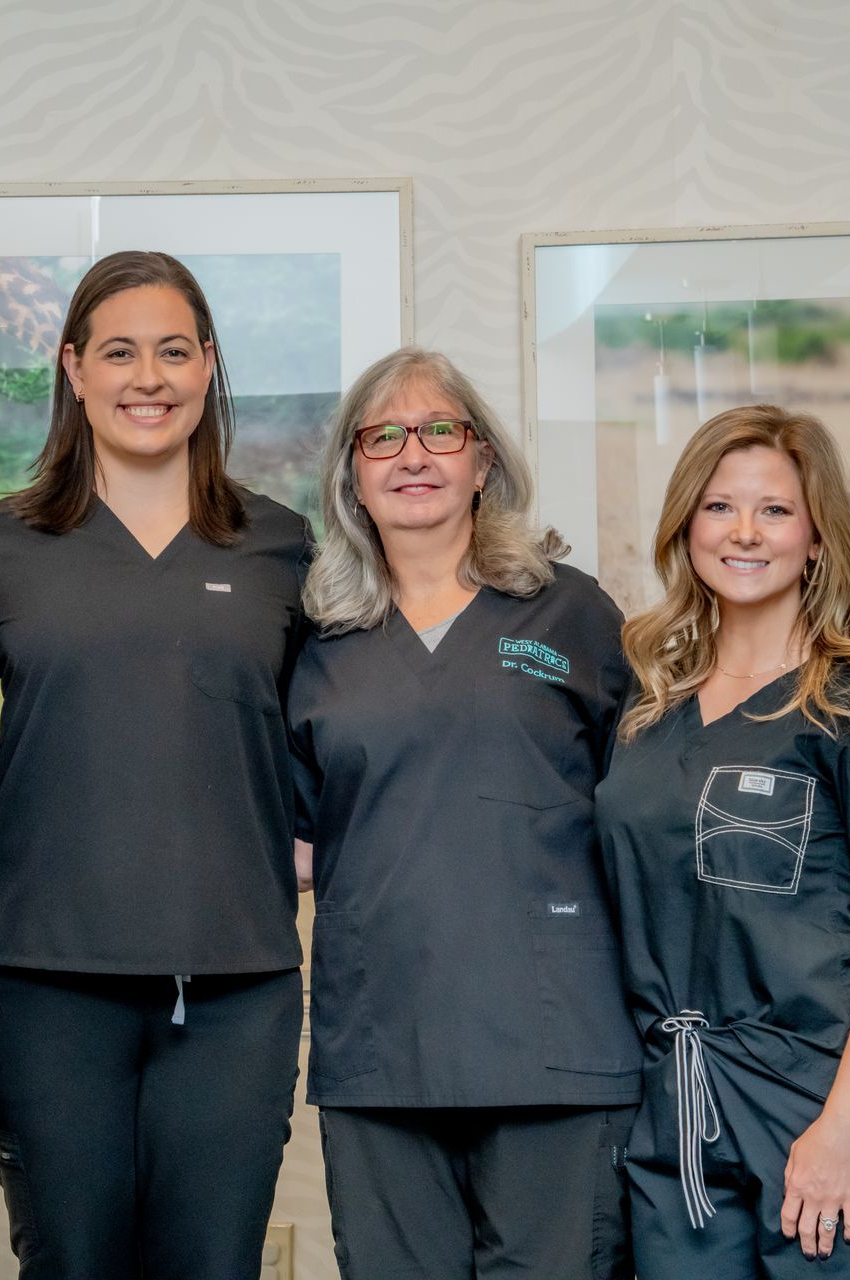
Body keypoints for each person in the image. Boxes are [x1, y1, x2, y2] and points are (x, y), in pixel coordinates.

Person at [0, 250, 312, 1278]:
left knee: (212, 1264)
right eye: (118, 351)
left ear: (207, 366)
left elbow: (327, 729)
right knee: (72, 1261)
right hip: (41, 982)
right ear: (72, 367)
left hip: (237, 986)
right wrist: (6, 791)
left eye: (171, 351)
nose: (146, 377)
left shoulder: (278, 545)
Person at [596, 405, 850, 1277]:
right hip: (679, 1116)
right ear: (687, 526)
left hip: (827, 1103)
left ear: (816, 539)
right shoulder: (648, 711)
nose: (745, 533)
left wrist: (842, 1132)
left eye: (775, 510)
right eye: (720, 507)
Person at [288, 347, 637, 1278]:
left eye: (442, 430)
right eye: (384, 436)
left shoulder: (571, 614)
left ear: (484, 461)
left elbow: (646, 808)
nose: (414, 454)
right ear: (352, 476)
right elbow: (287, 828)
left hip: (555, 1044)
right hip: (382, 1048)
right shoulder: (319, 640)